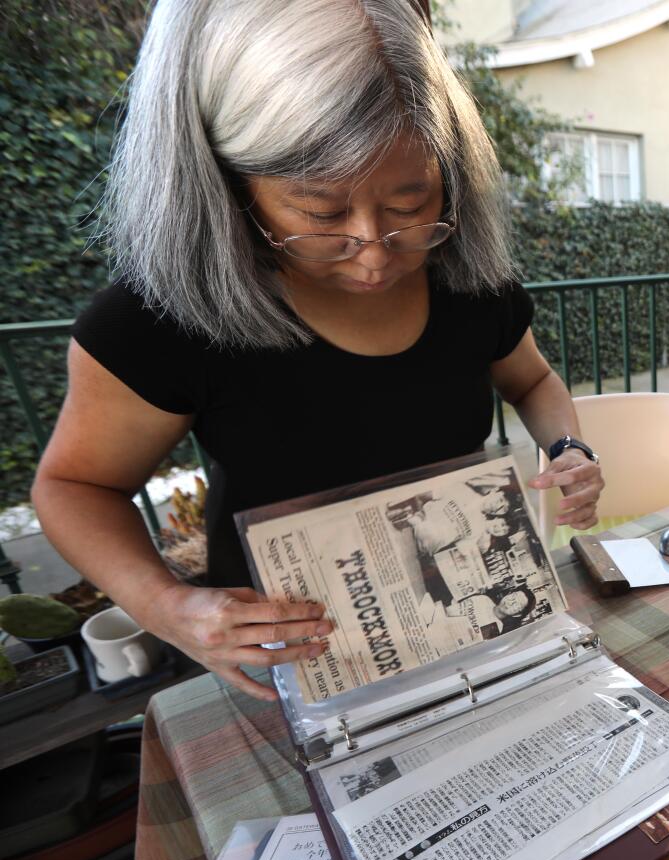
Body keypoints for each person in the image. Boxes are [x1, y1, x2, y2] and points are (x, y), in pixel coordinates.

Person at [30, 0, 605, 701]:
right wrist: (166, 607)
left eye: (409, 200)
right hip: (291, 662)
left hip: (471, 628)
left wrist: (570, 450)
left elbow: (534, 381)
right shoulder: (164, 319)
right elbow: (72, 487)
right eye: (321, 211)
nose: (373, 248)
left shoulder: (466, 277)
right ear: (233, 183)